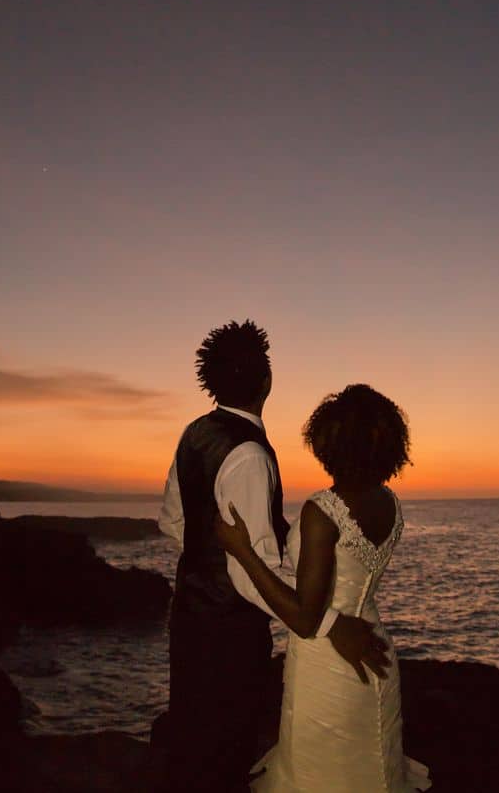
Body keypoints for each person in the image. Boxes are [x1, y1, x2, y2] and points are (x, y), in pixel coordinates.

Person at [157, 322, 390, 792]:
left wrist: (205, 561)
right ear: (266, 379)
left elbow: (171, 521)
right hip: (228, 633)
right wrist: (325, 623)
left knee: (193, 741)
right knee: (224, 750)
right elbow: (246, 576)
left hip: (189, 618)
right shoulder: (250, 455)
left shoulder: (194, 432)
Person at [215, 382, 431, 792]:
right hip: (373, 649)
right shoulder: (388, 501)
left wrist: (242, 551)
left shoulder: (321, 511)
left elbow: (303, 616)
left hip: (328, 666)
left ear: (330, 444)